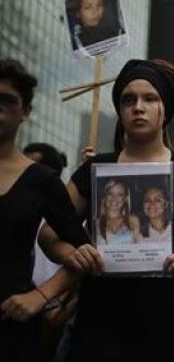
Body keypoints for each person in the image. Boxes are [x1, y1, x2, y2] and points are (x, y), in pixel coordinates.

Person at [50, 59, 174, 362]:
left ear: (165, 108)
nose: (138, 106)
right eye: (129, 99)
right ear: (119, 110)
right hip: (104, 322)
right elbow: (50, 233)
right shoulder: (96, 168)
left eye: (150, 98)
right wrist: (71, 254)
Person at [0, 59, 90, 362]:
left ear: (25, 111)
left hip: (11, 328)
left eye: (8, 101)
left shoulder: (41, 181)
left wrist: (41, 296)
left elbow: (83, 252)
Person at [96, 178, 140, 245]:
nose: (114, 198)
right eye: (110, 193)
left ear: (125, 198)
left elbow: (139, 248)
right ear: (105, 196)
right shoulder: (96, 223)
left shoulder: (133, 221)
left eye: (120, 195)